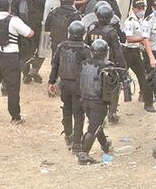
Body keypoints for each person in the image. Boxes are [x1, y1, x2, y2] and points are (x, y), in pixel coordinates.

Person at [49, 20, 90, 154]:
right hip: (79, 86)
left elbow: (55, 64)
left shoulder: (62, 46)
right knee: (79, 115)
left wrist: (51, 81)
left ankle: (68, 135)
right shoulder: (85, 49)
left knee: (66, 109)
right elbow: (89, 69)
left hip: (64, 84)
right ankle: (77, 144)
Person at [78, 38, 119, 164]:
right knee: (94, 127)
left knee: (96, 123)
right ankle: (84, 153)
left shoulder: (84, 63)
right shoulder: (108, 67)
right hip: (98, 101)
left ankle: (105, 144)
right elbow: (113, 89)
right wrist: (112, 108)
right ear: (105, 52)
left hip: (85, 99)